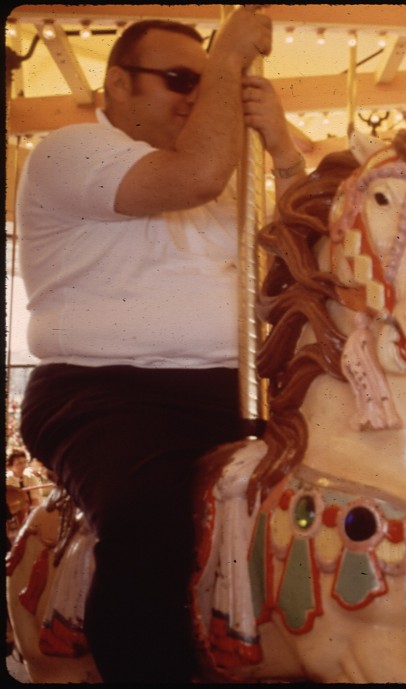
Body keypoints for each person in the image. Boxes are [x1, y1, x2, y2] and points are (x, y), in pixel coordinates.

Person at [16, 10, 304, 683]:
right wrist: (229, 54)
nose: (199, 97)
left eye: (207, 86)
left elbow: (302, 256)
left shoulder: (234, 180)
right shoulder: (72, 149)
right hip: (106, 396)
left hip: (233, 393)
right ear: (118, 84)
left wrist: (286, 154)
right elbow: (197, 173)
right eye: (181, 80)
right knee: (153, 516)